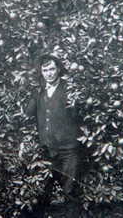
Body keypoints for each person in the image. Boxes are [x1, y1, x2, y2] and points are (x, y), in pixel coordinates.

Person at [25, 54, 84, 217]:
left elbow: (79, 114)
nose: (49, 73)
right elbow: (29, 113)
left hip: (69, 149)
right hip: (47, 149)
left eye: (52, 69)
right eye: (45, 70)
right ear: (41, 73)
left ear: (58, 69)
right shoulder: (40, 91)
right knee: (42, 191)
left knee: (70, 190)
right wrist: (33, 92)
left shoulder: (69, 88)